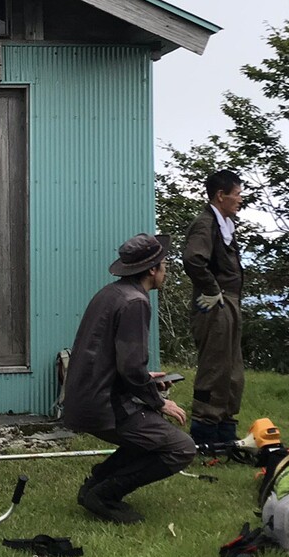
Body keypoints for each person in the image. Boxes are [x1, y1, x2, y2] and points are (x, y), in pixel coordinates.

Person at [62, 232, 196, 524]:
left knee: (152, 437)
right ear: (151, 269)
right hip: (103, 407)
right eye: (163, 264)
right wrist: (158, 401)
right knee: (181, 448)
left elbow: (117, 362)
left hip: (84, 398)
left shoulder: (111, 293)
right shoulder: (136, 302)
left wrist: (147, 380)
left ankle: (97, 482)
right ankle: (104, 495)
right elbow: (131, 369)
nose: (166, 269)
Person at [182, 169, 245, 446]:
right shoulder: (205, 223)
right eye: (237, 194)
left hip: (228, 301)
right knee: (215, 368)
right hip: (214, 304)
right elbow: (193, 259)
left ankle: (225, 432)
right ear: (221, 195)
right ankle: (205, 435)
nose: (240, 199)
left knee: (232, 370)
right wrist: (212, 290)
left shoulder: (224, 224)